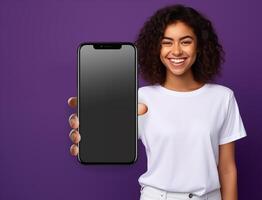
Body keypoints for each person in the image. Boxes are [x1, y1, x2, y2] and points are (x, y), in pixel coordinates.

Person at [67, 4, 247, 200]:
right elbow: (108, 140)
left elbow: (228, 169)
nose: (176, 51)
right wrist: (90, 125)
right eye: (167, 42)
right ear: (156, 48)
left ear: (200, 46)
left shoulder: (222, 97)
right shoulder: (141, 99)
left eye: (185, 41)